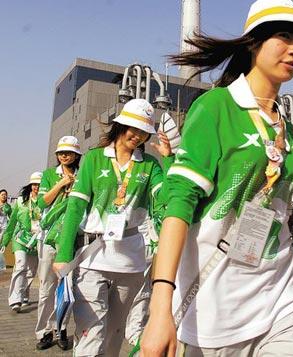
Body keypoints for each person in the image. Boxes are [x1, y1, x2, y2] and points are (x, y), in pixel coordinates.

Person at [140, 1, 293, 356]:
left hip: (282, 289)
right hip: (217, 306)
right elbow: (180, 203)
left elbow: (269, 200)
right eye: (284, 36)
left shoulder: (283, 124)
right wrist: (160, 307)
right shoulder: (216, 107)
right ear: (253, 42)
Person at [53, 98, 174, 356]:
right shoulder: (95, 159)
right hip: (92, 259)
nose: (139, 136)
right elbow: (75, 207)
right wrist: (64, 253)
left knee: (114, 335)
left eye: (144, 132)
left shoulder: (150, 165)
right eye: (134, 128)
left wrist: (170, 159)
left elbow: (165, 200)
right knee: (90, 335)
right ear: (121, 125)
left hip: (130, 264)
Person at [35, 136, 81, 351]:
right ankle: (44, 331)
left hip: (72, 239)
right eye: (61, 152)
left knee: (67, 287)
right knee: (46, 288)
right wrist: (62, 183)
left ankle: (61, 328)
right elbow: (41, 202)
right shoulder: (47, 176)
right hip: (51, 239)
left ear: (76, 154)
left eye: (69, 152)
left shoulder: (83, 174)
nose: (64, 155)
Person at [0, 172, 42, 313]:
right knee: (20, 265)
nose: (36, 187)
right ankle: (15, 299)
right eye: (34, 184)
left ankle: (24, 293)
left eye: (39, 184)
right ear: (30, 185)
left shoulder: (46, 201)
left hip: (36, 241)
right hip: (20, 239)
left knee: (31, 272)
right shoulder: (20, 201)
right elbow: (11, 224)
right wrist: (4, 242)